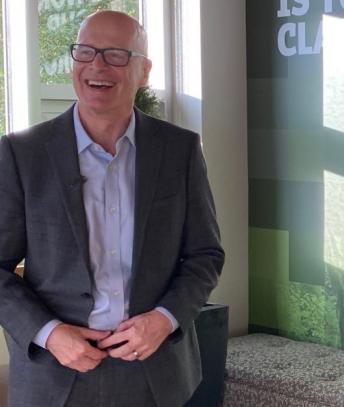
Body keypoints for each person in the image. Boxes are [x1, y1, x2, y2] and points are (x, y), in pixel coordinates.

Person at [0, 10, 224, 407]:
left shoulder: (180, 151)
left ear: (145, 71)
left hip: (156, 373)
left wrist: (164, 319)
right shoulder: (22, 154)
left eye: (116, 54)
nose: (96, 66)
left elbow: (204, 255)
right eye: (84, 52)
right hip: (55, 376)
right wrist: (48, 332)